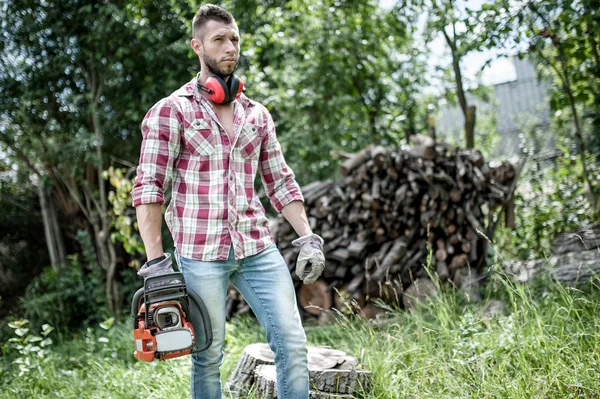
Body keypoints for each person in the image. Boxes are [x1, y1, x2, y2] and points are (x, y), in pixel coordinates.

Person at [131, 4, 326, 399]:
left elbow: (280, 181)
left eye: (234, 39)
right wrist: (154, 262)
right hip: (200, 253)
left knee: (292, 343)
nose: (229, 47)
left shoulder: (257, 115)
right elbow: (149, 187)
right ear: (197, 46)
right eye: (219, 39)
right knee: (208, 355)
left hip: (256, 246)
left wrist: (307, 237)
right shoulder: (172, 111)